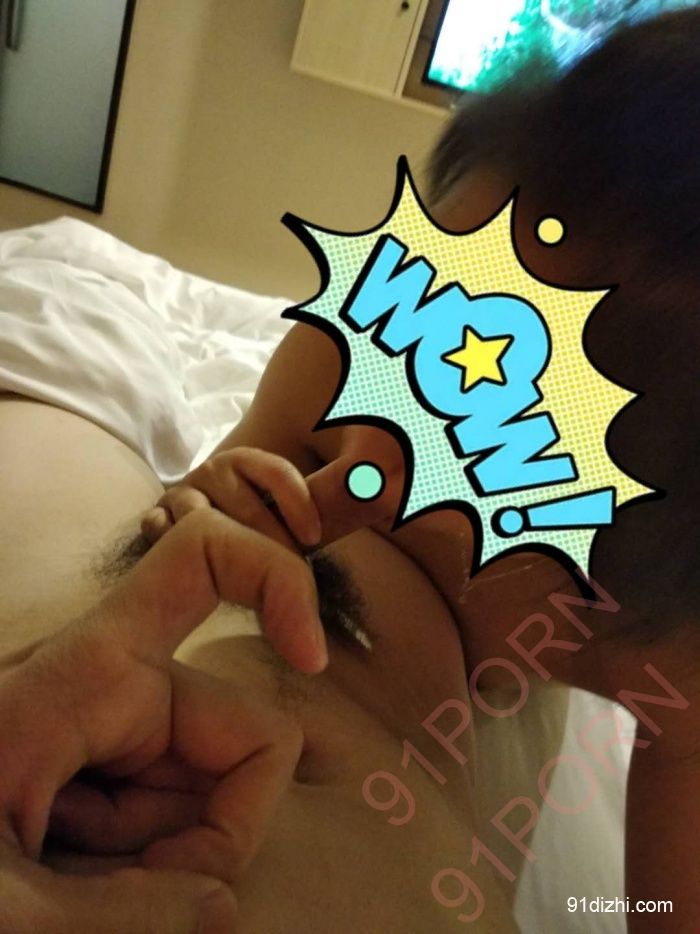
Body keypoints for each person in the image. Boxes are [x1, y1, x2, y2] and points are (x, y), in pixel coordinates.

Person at [0, 8, 698, 933]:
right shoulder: (328, 369)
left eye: (498, 441)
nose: (374, 443)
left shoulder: (654, 651)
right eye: (408, 308)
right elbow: (213, 479)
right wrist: (211, 491)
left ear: (608, 606)